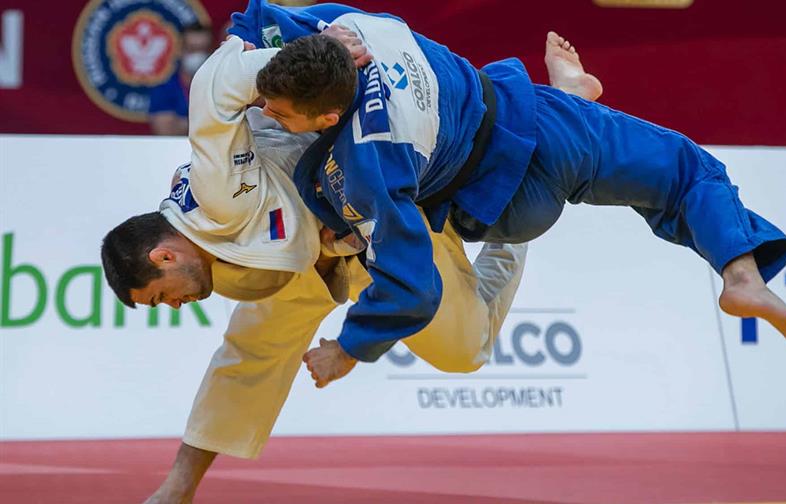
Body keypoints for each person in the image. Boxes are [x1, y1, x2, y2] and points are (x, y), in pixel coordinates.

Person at [101, 25, 602, 502]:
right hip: (310, 263)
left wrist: (312, 51)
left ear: (164, 255)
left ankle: (565, 107)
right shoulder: (207, 264)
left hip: (374, 210)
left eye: (161, 296)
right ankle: (178, 489)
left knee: (465, 349)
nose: (174, 305)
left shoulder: (212, 186)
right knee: (245, 354)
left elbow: (216, 82)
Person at [223, 1, 786, 386]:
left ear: (330, 116)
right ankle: (742, 274)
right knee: (686, 167)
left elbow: (413, 285)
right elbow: (256, 21)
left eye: (281, 112)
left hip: (504, 210)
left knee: (376, 218)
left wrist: (349, 349)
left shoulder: (370, 161)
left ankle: (574, 96)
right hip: (539, 124)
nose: (267, 113)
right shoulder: (349, 26)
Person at [147, 23, 214, 136]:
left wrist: (183, 123)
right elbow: (166, 132)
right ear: (180, 51)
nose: (198, 55)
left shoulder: (221, 87)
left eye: (203, 49)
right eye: (192, 49)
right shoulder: (164, 90)